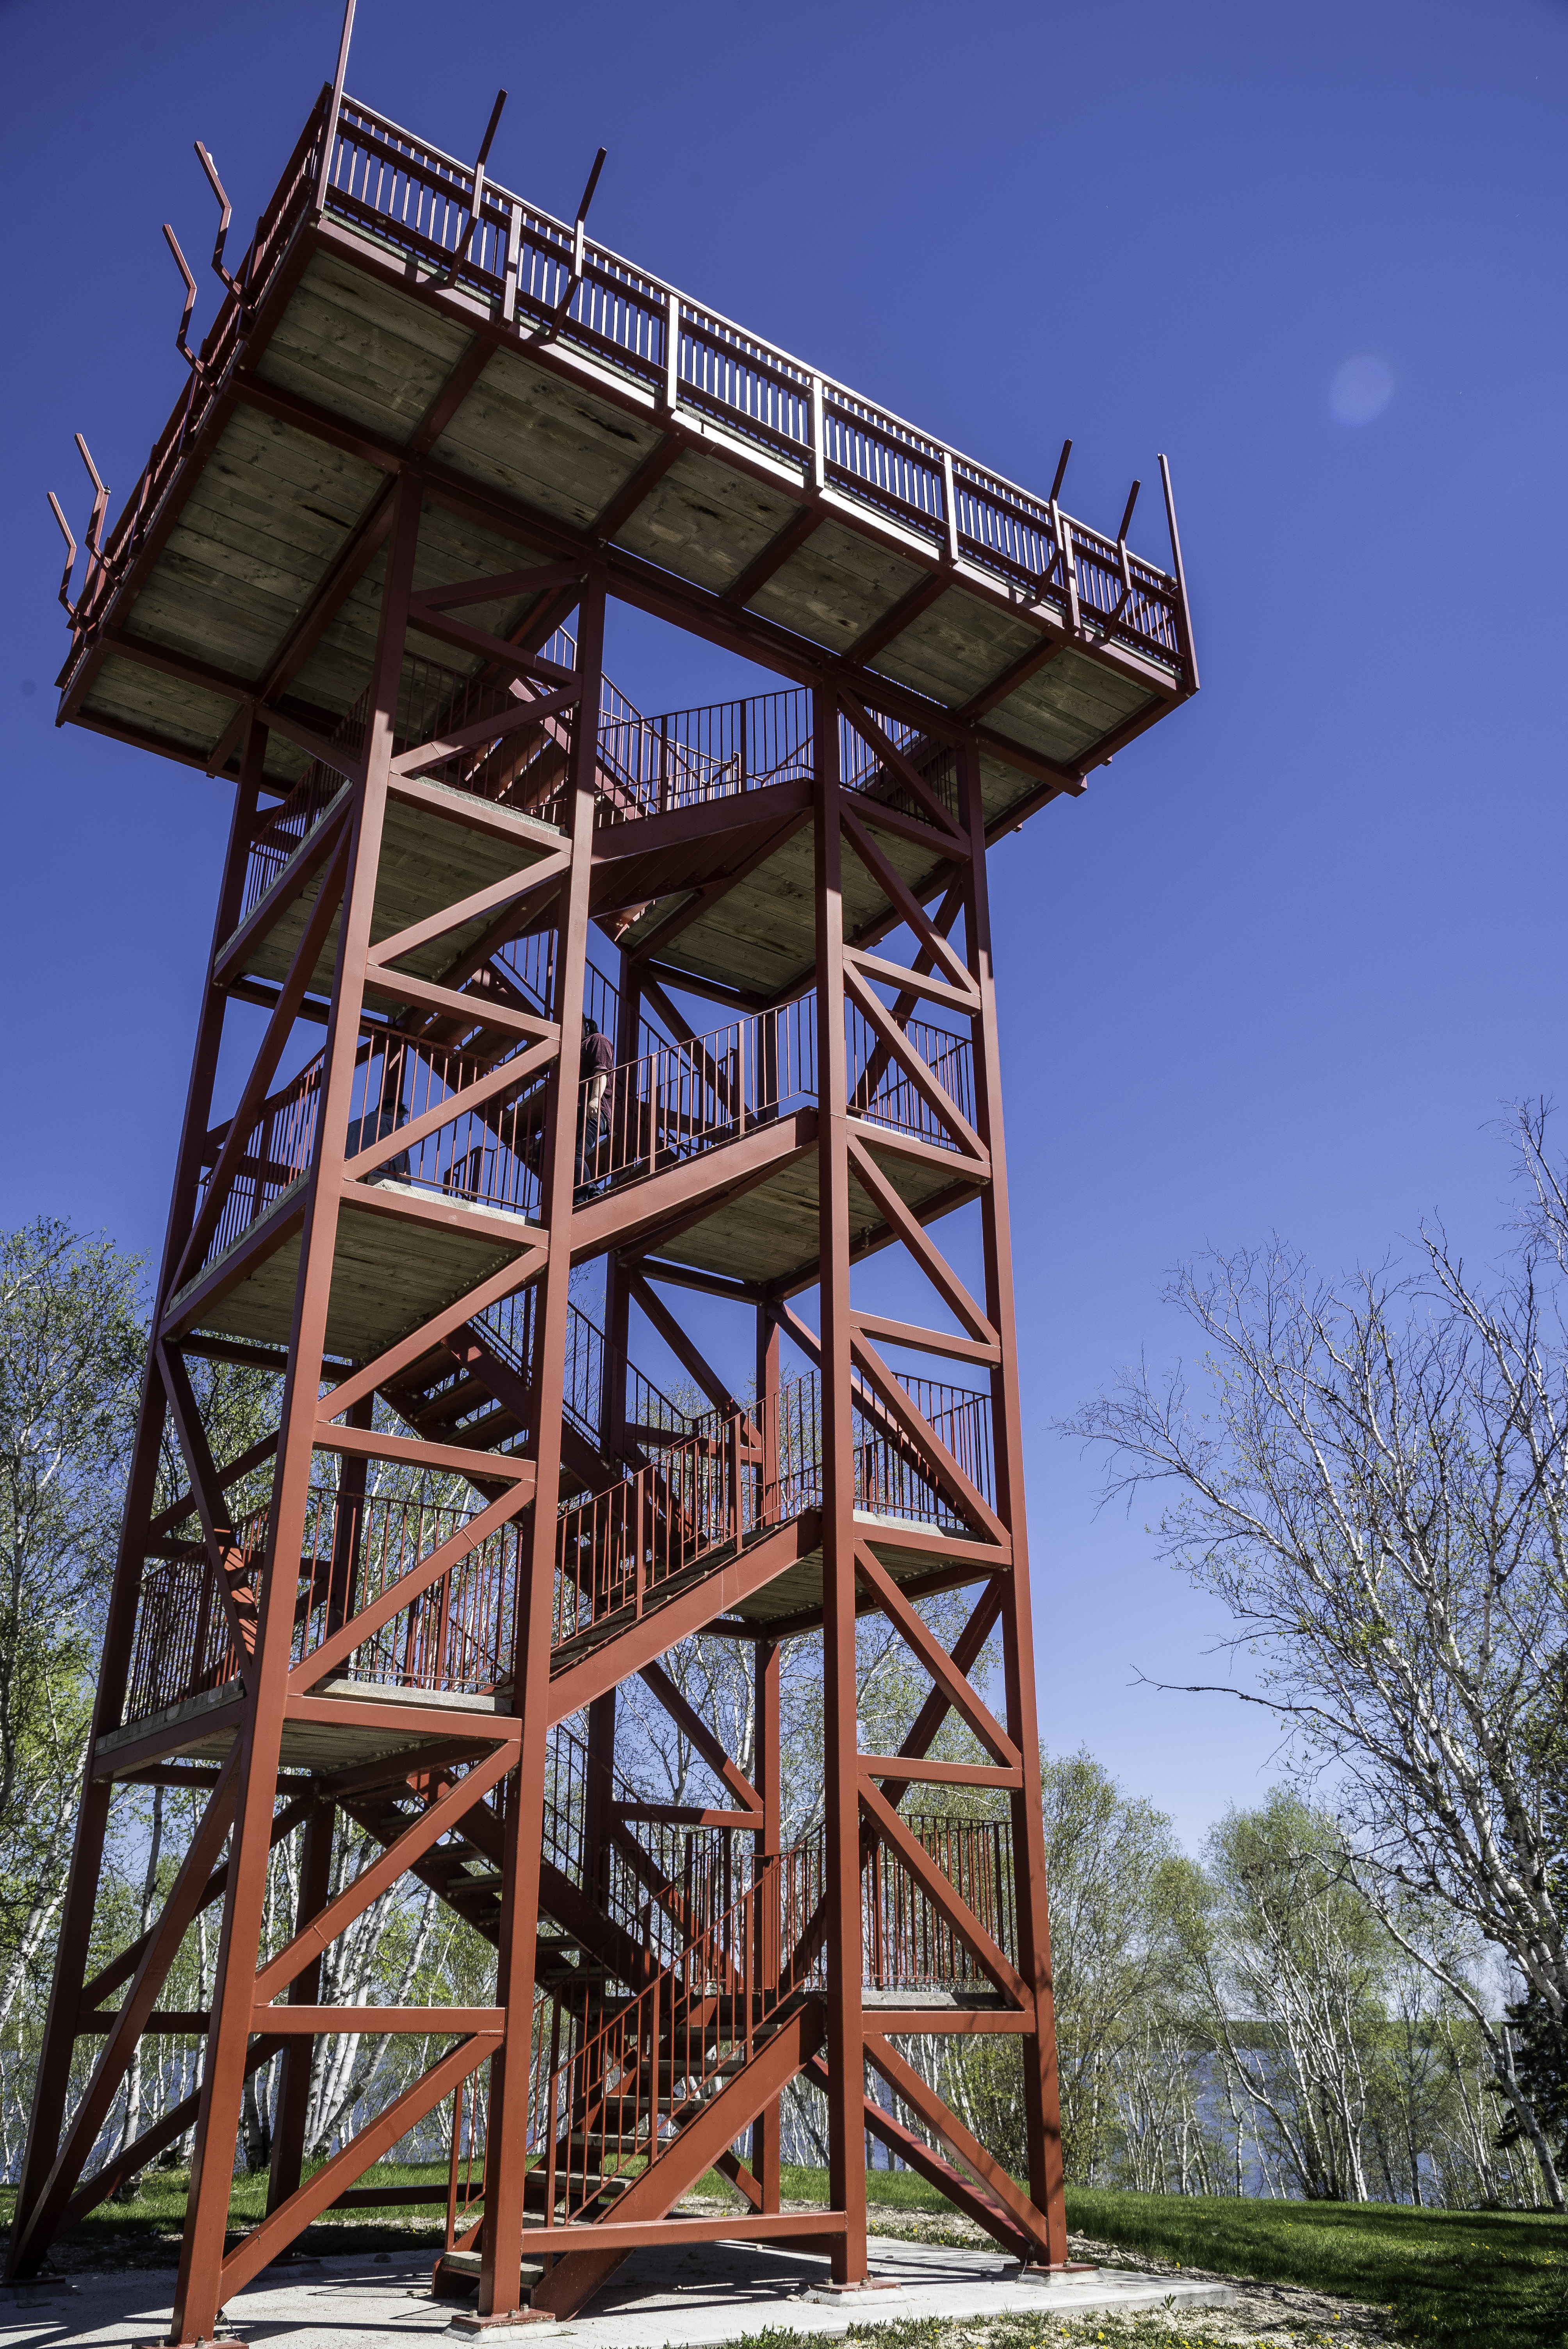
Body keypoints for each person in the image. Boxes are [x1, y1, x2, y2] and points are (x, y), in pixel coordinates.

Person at [576, 1016, 617, 1197]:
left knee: (575, 1152)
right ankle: (591, 1192)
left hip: (592, 1110)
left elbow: (602, 1071)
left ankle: (582, 1199)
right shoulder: (573, 1048)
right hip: (573, 1110)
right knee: (547, 1153)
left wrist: (594, 1100)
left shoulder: (597, 1040)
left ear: (584, 1025)